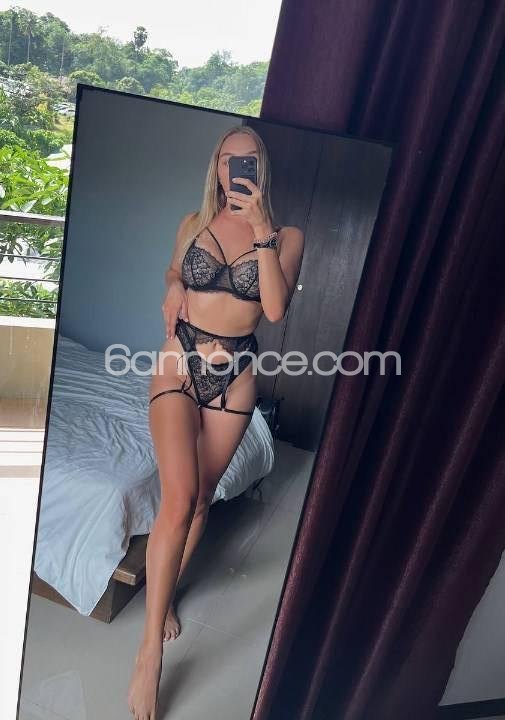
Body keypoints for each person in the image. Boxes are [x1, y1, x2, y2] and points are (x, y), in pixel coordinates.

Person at [127, 124, 304, 719]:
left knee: (203, 499)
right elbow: (173, 270)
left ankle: (167, 595)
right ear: (217, 166)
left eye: (247, 160)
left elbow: (274, 308)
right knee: (178, 498)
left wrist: (261, 232)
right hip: (178, 361)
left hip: (236, 375)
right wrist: (172, 286)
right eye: (228, 160)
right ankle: (149, 653)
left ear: (261, 168)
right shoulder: (192, 223)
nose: (236, 170)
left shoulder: (288, 237)